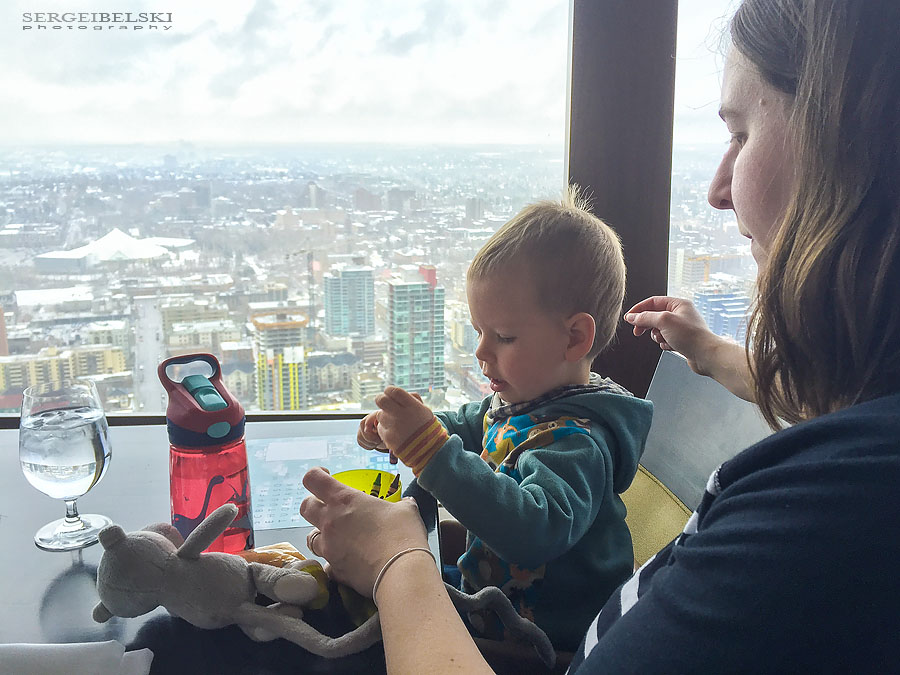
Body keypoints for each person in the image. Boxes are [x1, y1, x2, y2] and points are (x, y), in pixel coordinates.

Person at [300, 0, 900, 670]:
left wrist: (395, 560)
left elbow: (532, 519)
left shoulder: (838, 513)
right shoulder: (859, 432)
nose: (717, 189)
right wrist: (711, 356)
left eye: (740, 134)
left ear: (851, 148)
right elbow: (475, 423)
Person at [355, 191, 653, 651]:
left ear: (574, 337)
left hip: (546, 639)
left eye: (504, 336)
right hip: (495, 600)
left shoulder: (578, 441)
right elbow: (470, 425)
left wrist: (428, 451)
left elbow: (534, 530)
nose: (480, 351)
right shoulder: (523, 403)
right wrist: (408, 429)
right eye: (478, 331)